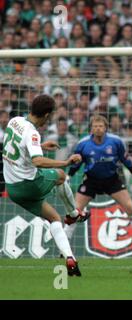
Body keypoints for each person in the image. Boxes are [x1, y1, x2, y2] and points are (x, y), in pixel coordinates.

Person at [3, 94, 86, 276]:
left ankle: (70, 258)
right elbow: (38, 161)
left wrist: (39, 145)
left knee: (55, 219)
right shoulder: (31, 131)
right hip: (29, 184)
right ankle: (73, 214)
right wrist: (65, 162)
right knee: (61, 176)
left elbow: (15, 145)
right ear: (47, 115)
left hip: (13, 189)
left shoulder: (14, 121)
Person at [63, 115, 132, 249]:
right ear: (91, 129)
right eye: (95, 126)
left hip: (112, 180)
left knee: (131, 208)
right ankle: (64, 247)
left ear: (106, 128)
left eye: (100, 126)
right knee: (75, 212)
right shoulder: (83, 143)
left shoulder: (116, 141)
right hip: (91, 180)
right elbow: (76, 164)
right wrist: (68, 176)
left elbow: (125, 159)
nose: (97, 129)